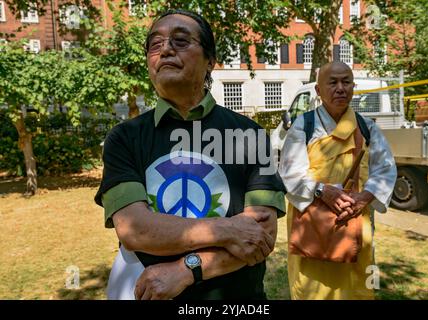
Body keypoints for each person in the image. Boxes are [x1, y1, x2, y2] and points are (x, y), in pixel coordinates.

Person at [94, 9, 285, 300]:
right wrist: (228, 229)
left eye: (181, 41)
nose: (166, 49)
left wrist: (186, 270)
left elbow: (260, 237)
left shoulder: (251, 134)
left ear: (210, 60)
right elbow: (135, 229)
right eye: (154, 45)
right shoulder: (124, 138)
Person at [279, 61, 397, 300]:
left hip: (355, 219)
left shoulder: (367, 127)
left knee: (357, 285)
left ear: (354, 87)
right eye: (332, 83)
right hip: (313, 224)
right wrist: (324, 191)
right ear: (318, 90)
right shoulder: (304, 125)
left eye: (346, 82)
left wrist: (364, 198)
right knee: (312, 288)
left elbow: (385, 169)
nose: (340, 88)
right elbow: (289, 173)